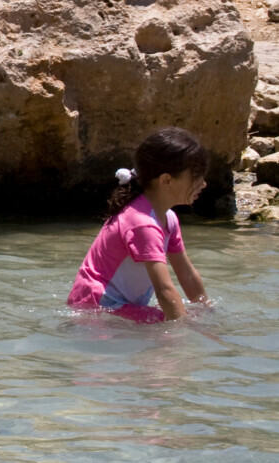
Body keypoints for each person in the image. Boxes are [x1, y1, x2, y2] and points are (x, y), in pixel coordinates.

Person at [68, 128, 211, 323]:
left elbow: (186, 274)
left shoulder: (168, 219)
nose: (203, 184)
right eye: (196, 177)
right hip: (95, 307)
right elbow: (164, 289)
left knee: (180, 316)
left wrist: (207, 312)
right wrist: (185, 334)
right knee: (168, 323)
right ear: (166, 180)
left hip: (117, 305)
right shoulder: (143, 224)